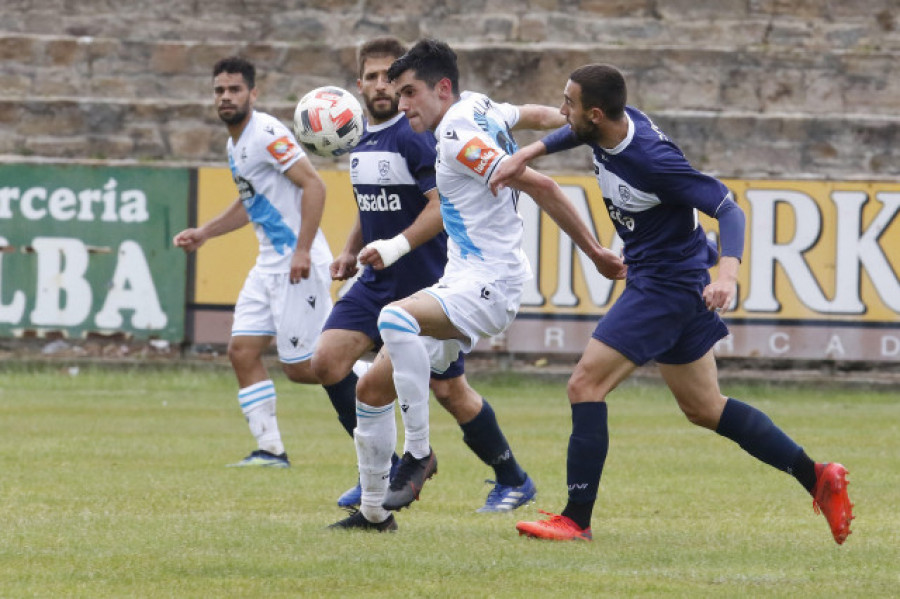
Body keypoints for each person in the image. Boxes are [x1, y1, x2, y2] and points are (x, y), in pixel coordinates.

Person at [490, 64, 854, 544]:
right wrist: (529, 152)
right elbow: (574, 135)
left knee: (584, 385)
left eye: (568, 103)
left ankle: (576, 518)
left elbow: (728, 206)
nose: (561, 111)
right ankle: (819, 477)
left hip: (665, 285)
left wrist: (728, 275)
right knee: (704, 406)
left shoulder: (651, 159)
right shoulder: (614, 124)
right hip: (668, 276)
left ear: (596, 113)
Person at [330, 39, 626, 532]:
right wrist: (566, 120)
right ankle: (374, 513)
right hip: (463, 276)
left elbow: (544, 186)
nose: (402, 106)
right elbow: (524, 113)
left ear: (442, 89)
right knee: (370, 387)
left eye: (410, 93)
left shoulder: (455, 136)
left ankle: (419, 455)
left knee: (394, 318)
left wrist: (595, 251)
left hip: (489, 283)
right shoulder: (478, 105)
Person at [318, 37, 541, 523]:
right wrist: (351, 249)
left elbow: (440, 205)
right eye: (373, 78)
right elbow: (370, 203)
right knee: (329, 362)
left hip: (426, 275)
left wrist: (397, 246)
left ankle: (509, 477)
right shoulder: (363, 139)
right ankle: (383, 479)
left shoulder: (420, 135)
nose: (384, 89)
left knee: (448, 392)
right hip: (378, 280)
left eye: (391, 80)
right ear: (359, 85)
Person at [174, 56, 364, 467]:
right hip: (268, 265)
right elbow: (251, 204)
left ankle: (382, 375)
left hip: (298, 262)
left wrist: (301, 248)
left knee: (302, 367)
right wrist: (205, 232)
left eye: (235, 89)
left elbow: (314, 185)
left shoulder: (266, 133)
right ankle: (270, 450)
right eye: (220, 90)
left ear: (253, 93)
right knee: (242, 350)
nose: (226, 97)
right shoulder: (235, 143)